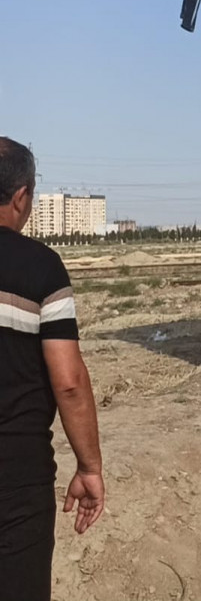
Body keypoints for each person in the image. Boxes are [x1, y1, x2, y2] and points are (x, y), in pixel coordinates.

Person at [0, 138, 104, 600]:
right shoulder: (42, 269)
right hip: (16, 479)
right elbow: (69, 382)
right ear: (21, 196)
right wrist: (89, 466)